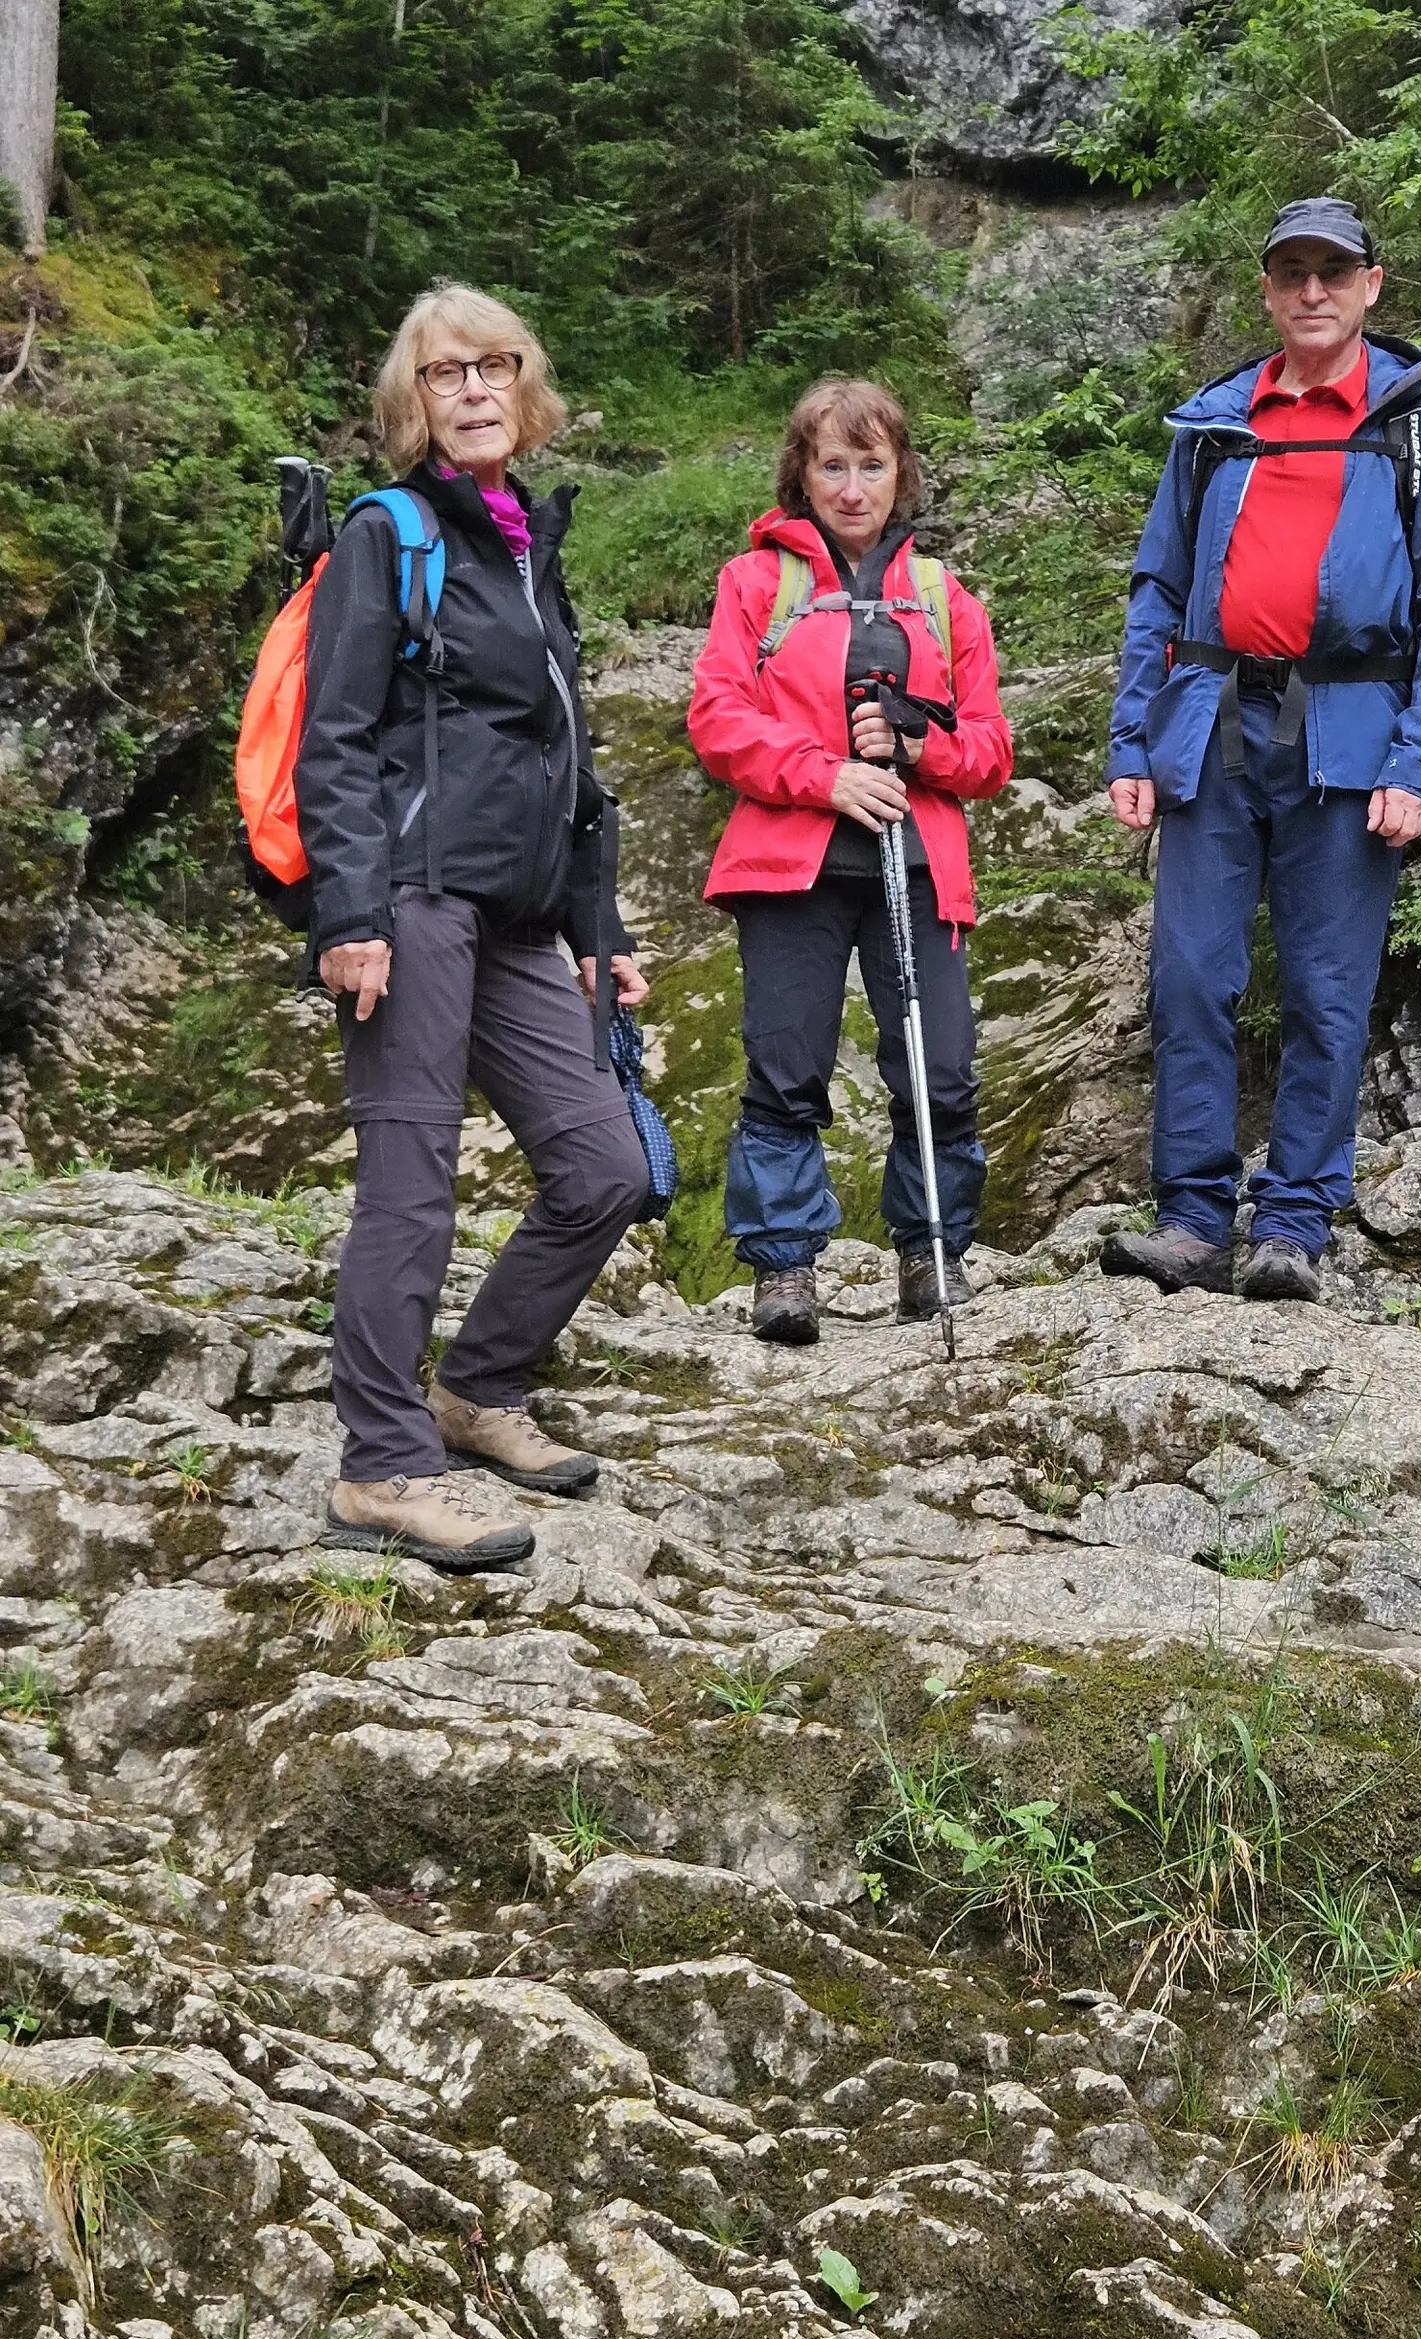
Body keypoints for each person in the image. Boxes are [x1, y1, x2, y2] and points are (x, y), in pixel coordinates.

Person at [297, 283, 652, 1571]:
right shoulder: (388, 534)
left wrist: (600, 928)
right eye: (446, 374)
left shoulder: (523, 546)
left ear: (527, 385)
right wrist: (351, 913)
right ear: (416, 401)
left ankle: (476, 1387)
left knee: (606, 1168)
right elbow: (333, 740)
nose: (475, 390)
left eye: (494, 366)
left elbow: (567, 763)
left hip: (516, 913)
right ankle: (382, 1468)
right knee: (412, 1186)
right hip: (408, 900)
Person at [1102, 196, 1421, 1303]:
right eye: (1291, 272)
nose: (1312, 290)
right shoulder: (1215, 427)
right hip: (1211, 728)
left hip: (1352, 739)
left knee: (1327, 991)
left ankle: (1293, 1226)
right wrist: (1132, 742)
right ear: (1268, 291)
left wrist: (1418, 760)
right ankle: (1192, 1222)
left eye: (1333, 270)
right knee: (1188, 978)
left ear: (1372, 284)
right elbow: (1159, 589)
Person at [688, 378, 1013, 1345]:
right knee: (786, 1063)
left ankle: (933, 1251)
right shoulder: (756, 584)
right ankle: (784, 1265)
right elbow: (717, 718)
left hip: (917, 864)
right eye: (833, 465)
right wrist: (824, 775)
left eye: (873, 465)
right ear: (803, 474)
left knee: (940, 1070)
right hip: (792, 864)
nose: (854, 487)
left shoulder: (945, 599)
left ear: (901, 472)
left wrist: (920, 747)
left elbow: (991, 750)